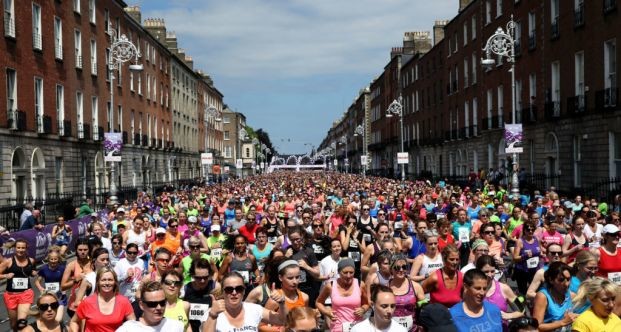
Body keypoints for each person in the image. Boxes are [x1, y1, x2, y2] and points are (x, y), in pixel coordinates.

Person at [200, 271, 287, 331]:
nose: (234, 293)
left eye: (239, 289)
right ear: (222, 292)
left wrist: (282, 303)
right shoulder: (211, 313)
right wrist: (213, 316)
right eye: (229, 289)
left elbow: (282, 321)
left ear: (244, 291)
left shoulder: (254, 309)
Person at [70, 267, 135, 332]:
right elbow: (73, 322)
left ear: (115, 282)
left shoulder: (123, 301)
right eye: (103, 280)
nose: (107, 283)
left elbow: (133, 325)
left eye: (110, 280)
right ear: (98, 282)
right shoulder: (87, 302)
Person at [316, 258, 369, 331]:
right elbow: (318, 302)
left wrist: (363, 309)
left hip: (357, 326)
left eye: (351, 272)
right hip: (337, 327)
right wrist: (327, 312)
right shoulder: (330, 285)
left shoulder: (360, 284)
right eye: (345, 272)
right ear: (339, 272)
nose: (348, 276)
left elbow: (366, 303)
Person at [116, 280, 184, 332]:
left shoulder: (176, 326)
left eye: (162, 303)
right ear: (141, 305)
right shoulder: (128, 329)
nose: (159, 307)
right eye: (152, 304)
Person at [0, 239, 38, 332]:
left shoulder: (31, 260)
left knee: (21, 322)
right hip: (11, 295)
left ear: (26, 249)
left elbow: (33, 271)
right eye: (18, 248)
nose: (20, 250)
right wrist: (5, 275)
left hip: (26, 293)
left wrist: (33, 273)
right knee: (14, 324)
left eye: (23, 248)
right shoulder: (8, 262)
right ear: (14, 248)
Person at [475, 255, 524, 326]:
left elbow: (521, 310)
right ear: (478, 271)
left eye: (492, 271)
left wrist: (509, 316)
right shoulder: (471, 290)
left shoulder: (504, 288)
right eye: (486, 272)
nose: (490, 275)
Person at [532, 261, 577, 331]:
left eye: (568, 279)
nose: (566, 284)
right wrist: (563, 322)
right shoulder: (543, 296)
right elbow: (537, 327)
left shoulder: (569, 294)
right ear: (551, 280)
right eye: (561, 280)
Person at [388, 254, 425, 331]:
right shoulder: (385, 288)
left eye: (404, 267)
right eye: (397, 268)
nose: (401, 270)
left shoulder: (416, 287)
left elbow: (424, 310)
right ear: (391, 269)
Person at [183, 258, 219, 332]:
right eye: (198, 278)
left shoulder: (215, 287)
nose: (202, 281)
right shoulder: (185, 289)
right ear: (192, 275)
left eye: (205, 277)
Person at [422, 244, 463, 308]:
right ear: (444, 259)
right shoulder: (434, 278)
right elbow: (419, 293)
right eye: (451, 259)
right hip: (437, 316)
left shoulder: (462, 277)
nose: (455, 262)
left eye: (457, 259)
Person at [62, 237, 92, 317]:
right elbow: (63, 287)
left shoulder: (94, 263)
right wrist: (75, 280)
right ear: (76, 250)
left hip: (91, 304)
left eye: (85, 250)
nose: (83, 252)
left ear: (89, 250)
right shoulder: (72, 265)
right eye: (80, 250)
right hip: (75, 306)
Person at [35, 248, 66, 323]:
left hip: (59, 295)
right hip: (48, 295)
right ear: (48, 259)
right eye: (51, 259)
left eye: (55, 259)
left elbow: (66, 281)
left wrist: (64, 290)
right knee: (48, 317)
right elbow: (37, 281)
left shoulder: (62, 269)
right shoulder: (44, 269)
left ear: (58, 259)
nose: (53, 261)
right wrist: (41, 289)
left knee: (59, 318)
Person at [513, 221, 543, 295]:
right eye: (528, 230)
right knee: (523, 292)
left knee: (535, 291)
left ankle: (532, 304)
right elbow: (515, 257)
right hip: (522, 271)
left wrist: (542, 255)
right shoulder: (520, 241)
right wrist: (524, 256)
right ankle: (521, 303)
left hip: (534, 270)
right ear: (524, 231)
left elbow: (540, 251)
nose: (530, 231)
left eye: (532, 229)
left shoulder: (537, 239)